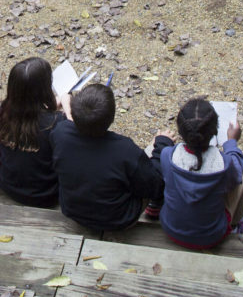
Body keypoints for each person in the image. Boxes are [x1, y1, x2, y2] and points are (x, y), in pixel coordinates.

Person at [57, 82, 164, 234]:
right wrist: (160, 147)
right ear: (112, 117)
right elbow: (155, 185)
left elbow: (68, 125)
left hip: (72, 210)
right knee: (147, 173)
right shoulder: (125, 149)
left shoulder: (60, 134)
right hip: (118, 219)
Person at [152, 97, 243, 248]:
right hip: (212, 235)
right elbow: (236, 175)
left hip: (171, 228)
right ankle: (235, 222)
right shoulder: (225, 164)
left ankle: (154, 204)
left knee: (151, 151)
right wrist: (231, 142)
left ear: (180, 131)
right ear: (215, 131)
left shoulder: (168, 155)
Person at [0, 57, 66, 208]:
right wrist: (67, 106)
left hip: (8, 185)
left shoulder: (4, 111)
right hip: (45, 194)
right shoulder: (56, 123)